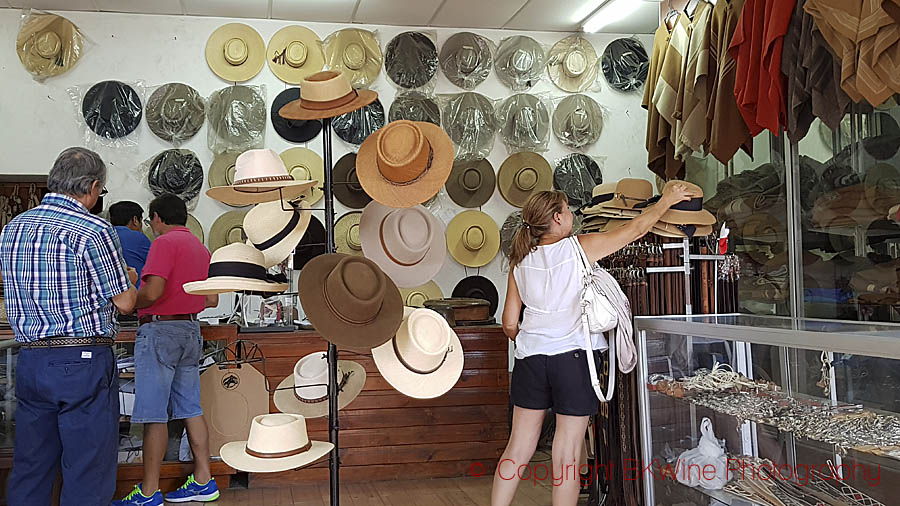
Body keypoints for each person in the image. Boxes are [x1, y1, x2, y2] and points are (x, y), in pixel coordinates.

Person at [491, 184, 693, 506]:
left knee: (518, 447)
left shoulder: (520, 262)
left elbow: (509, 323)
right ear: (557, 218)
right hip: (573, 358)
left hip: (530, 360)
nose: (572, 214)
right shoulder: (577, 249)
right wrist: (667, 200)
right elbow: (636, 229)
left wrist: (537, 338)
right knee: (567, 450)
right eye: (568, 210)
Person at [0, 147, 138, 506]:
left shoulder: (13, 228)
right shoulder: (93, 229)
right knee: (87, 468)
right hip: (82, 358)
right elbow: (125, 302)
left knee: (32, 465)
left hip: (30, 359)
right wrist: (130, 278)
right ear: (92, 187)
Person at [113, 193, 218, 506]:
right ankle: (203, 479)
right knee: (191, 408)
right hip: (190, 329)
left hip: (160, 330)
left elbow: (154, 291)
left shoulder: (163, 243)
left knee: (153, 414)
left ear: (157, 217)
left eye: (151, 220)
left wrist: (132, 294)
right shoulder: (200, 248)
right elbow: (210, 299)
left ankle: (148, 492)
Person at [109, 201, 152, 287]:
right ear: (135, 220)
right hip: (136, 293)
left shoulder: (103, 236)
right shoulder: (138, 237)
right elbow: (155, 264)